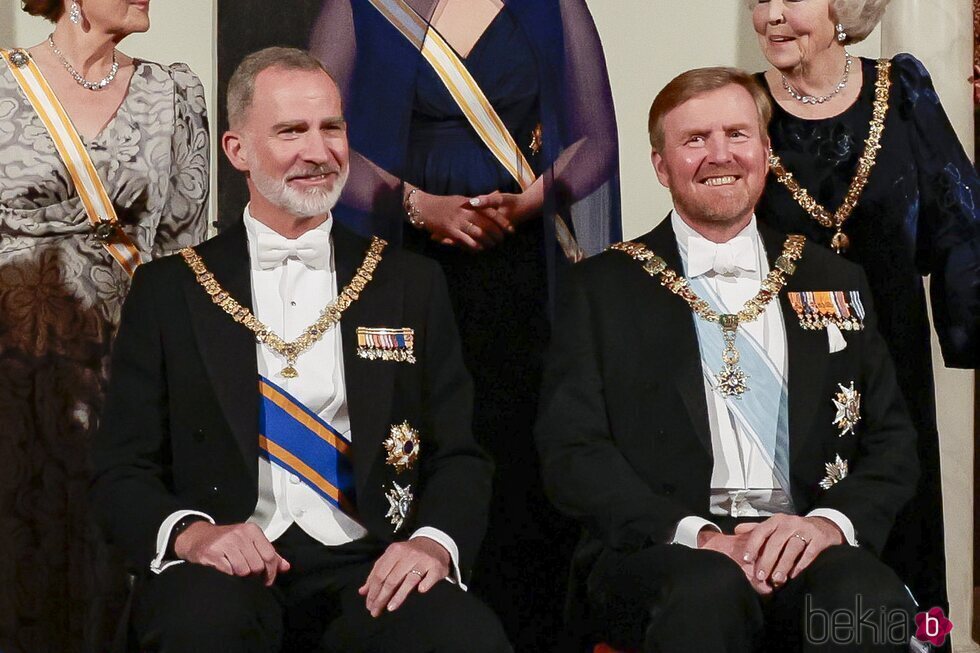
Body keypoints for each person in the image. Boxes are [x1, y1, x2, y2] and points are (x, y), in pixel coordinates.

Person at [90, 47, 510, 653]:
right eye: (291, 131)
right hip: (226, 560)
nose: (318, 153)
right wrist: (190, 536)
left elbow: (460, 455)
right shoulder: (170, 289)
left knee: (463, 638)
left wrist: (432, 543)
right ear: (237, 151)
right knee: (197, 628)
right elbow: (121, 469)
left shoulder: (408, 283)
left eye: (331, 128)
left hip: (371, 559)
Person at [536, 67, 920, 652]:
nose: (721, 155)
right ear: (661, 166)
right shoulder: (602, 288)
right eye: (695, 140)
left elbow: (892, 441)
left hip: (800, 539)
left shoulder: (834, 278)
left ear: (766, 152)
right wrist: (699, 536)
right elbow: (572, 452)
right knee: (706, 595)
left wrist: (825, 526)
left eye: (738, 135)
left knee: (870, 604)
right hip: (663, 550)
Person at [307, 1, 621, 647]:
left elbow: (598, 139)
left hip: (520, 268)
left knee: (517, 446)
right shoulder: (357, 8)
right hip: (398, 266)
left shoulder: (551, 5)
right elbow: (320, 142)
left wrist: (527, 202)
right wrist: (418, 205)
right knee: (414, 441)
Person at [748, 0, 980, 618]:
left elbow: (959, 217)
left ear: (841, 7)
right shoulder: (740, 105)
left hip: (892, 354)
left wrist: (968, 323)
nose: (771, 15)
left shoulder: (901, 90)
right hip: (782, 365)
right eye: (758, 1)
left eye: (789, 1)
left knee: (901, 521)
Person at [0, 1, 208, 650]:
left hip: (120, 385)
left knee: (107, 581)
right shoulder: (3, 86)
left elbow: (181, 258)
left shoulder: (173, 95)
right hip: (10, 381)